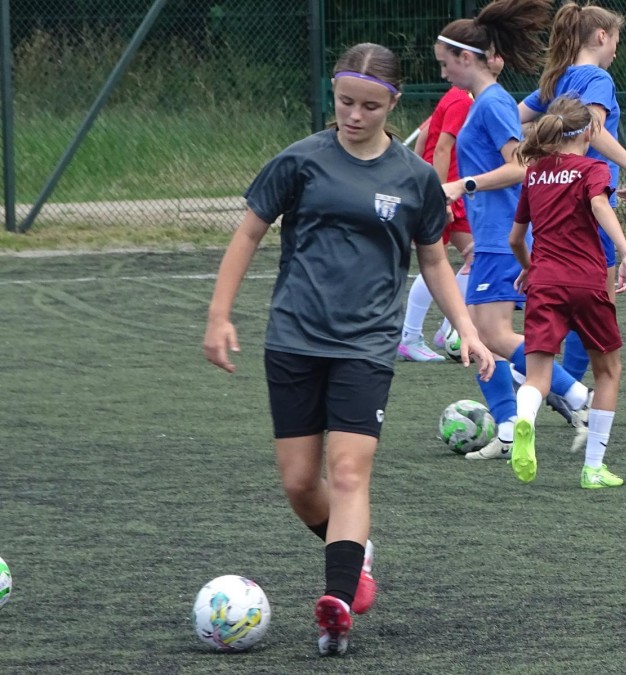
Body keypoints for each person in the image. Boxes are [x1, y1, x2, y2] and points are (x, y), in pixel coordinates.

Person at [202, 42, 494, 656]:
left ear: (393, 103)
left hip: (365, 345)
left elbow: (434, 260)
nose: (355, 116)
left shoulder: (415, 179)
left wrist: (466, 329)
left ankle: (335, 606)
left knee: (347, 471)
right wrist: (219, 315)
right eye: (344, 103)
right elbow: (248, 234)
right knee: (299, 483)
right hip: (293, 339)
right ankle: (356, 553)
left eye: (369, 106)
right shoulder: (299, 161)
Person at [437, 0, 594, 460]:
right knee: (478, 336)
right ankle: (507, 430)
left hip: (503, 237)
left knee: (493, 335)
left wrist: (462, 185)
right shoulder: (482, 103)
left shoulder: (492, 103)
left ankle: (578, 397)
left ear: (467, 58)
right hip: (490, 236)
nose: (442, 72)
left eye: (445, 63)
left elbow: (521, 166)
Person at [508, 94, 626, 488]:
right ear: (590, 132)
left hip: (544, 283)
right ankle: (593, 468)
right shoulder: (592, 169)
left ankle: (524, 419)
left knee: (537, 377)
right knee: (608, 371)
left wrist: (529, 268)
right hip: (586, 282)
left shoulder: (534, 173)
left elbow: (515, 239)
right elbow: (599, 204)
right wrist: (625, 251)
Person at [518, 1, 626, 387]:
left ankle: (551, 386)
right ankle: (570, 389)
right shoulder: (597, 79)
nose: (616, 50)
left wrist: (533, 140)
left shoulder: (556, 79)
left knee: (558, 303)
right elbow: (594, 130)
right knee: (597, 308)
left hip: (552, 205)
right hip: (589, 204)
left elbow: (514, 117)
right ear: (601, 36)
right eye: (615, 40)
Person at [396, 55, 505, 362]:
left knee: (476, 256)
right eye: (494, 52)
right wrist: (438, 195)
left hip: (456, 193)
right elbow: (441, 147)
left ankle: (449, 330)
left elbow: (425, 135)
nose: (500, 58)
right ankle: (409, 337)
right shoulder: (461, 98)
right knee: (435, 260)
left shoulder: (472, 97)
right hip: (447, 193)